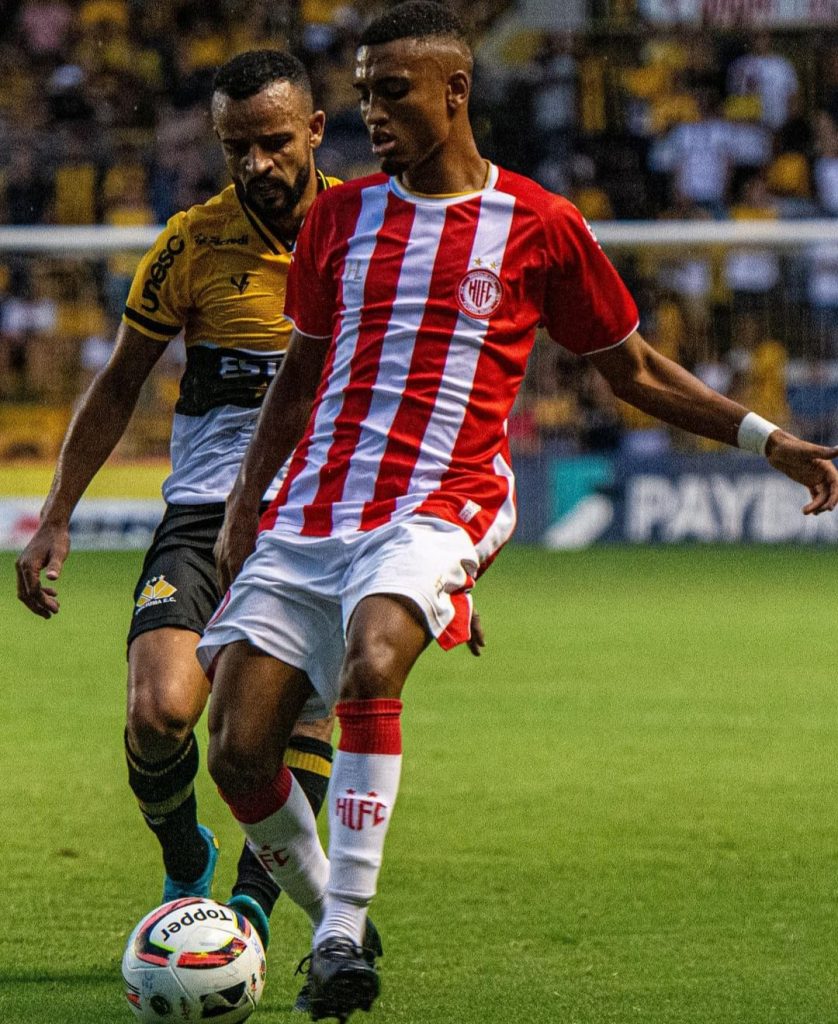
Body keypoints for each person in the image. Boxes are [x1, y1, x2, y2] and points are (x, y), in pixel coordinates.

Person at [195, 5, 838, 1021]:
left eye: (392, 89)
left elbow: (629, 370)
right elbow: (301, 374)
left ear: (455, 90)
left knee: (372, 656)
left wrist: (769, 439)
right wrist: (246, 504)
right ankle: (337, 916)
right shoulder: (336, 217)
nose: (372, 111)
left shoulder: (539, 223)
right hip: (314, 504)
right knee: (234, 746)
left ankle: (337, 933)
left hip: (442, 497)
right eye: (363, 91)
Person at [14, 49, 353, 968]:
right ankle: (184, 855)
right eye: (236, 146)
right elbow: (121, 381)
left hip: (321, 519)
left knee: (295, 722)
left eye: (275, 143)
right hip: (206, 514)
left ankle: (248, 910)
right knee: (160, 714)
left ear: (315, 132)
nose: (256, 164)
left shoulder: (369, 233)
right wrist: (54, 515)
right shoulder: (193, 243)